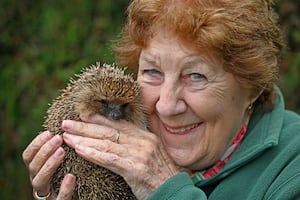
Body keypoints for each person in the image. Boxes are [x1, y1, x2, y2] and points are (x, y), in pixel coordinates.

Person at [22, 0, 300, 199]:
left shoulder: (292, 168)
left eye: (196, 76)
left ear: (251, 86)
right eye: (153, 72)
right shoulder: (117, 137)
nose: (166, 106)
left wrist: (166, 190)